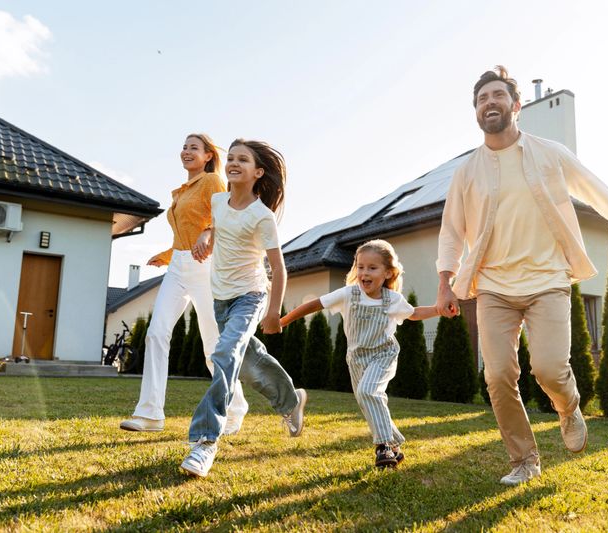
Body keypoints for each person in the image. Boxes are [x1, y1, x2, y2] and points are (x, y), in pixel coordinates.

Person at [435, 66, 608, 486]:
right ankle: (524, 460)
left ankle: (568, 409)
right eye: (481, 99)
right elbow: (452, 230)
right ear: (476, 112)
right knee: (497, 376)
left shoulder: (551, 153)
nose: (488, 103)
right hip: (493, 286)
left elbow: (601, 194)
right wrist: (446, 282)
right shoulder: (466, 172)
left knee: (549, 368)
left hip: (547, 279)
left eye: (497, 96)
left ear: (516, 106)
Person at [180, 139, 307, 477]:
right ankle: (291, 401)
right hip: (220, 297)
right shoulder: (218, 201)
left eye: (243, 160)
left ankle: (205, 442)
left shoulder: (262, 216)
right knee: (248, 363)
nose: (233, 163)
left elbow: (278, 268)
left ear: (258, 172)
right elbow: (218, 227)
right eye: (231, 158)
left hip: (250, 297)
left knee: (223, 355)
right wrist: (207, 236)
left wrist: (273, 312)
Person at [120, 133, 249, 435]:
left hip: (205, 267)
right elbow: (183, 234)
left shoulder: (212, 182)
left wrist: (208, 232)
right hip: (178, 265)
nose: (187, 151)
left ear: (207, 156)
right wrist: (166, 255)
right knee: (156, 333)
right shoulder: (180, 192)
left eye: (194, 148)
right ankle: (150, 413)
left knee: (212, 345)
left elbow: (223, 216)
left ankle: (235, 405)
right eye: (184, 147)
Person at [281, 239, 438, 469]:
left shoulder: (392, 299)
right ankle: (395, 446)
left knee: (368, 391)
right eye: (360, 267)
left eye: (372, 268)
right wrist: (284, 320)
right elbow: (316, 304)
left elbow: (413, 313)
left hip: (383, 355)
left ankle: (383, 446)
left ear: (387, 273)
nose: (365, 272)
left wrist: (437, 309)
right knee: (370, 402)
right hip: (356, 360)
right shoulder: (349, 294)